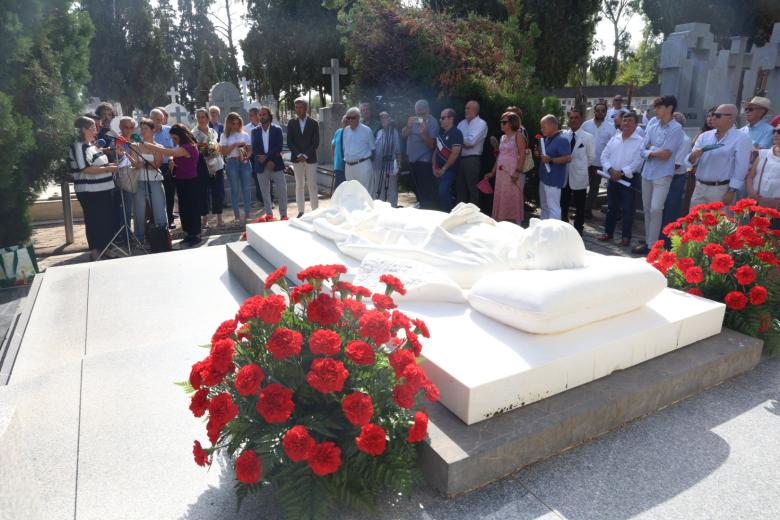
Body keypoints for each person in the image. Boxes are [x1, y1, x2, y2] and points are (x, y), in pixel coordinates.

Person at [632, 95, 684, 255]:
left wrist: (650, 149)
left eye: (659, 107)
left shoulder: (676, 129)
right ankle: (650, 243)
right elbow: (642, 149)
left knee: (656, 208)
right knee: (647, 209)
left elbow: (666, 154)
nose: (656, 110)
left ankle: (655, 245)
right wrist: (655, 150)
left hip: (663, 174)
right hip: (647, 172)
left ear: (669, 108)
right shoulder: (653, 123)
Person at [69, 116, 119, 261]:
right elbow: (85, 168)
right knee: (94, 221)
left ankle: (106, 247)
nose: (96, 130)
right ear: (83, 129)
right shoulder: (78, 146)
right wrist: (108, 168)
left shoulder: (92, 146)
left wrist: (113, 165)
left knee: (107, 220)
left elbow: (100, 163)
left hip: (105, 188)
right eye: (93, 128)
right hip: (89, 191)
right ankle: (95, 251)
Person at [687, 104, 753, 206]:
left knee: (719, 222)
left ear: (731, 118)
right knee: (695, 221)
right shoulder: (704, 136)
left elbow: (741, 168)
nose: (712, 117)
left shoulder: (742, 138)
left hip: (721, 189)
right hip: (699, 187)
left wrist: (731, 191)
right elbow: (691, 162)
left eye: (717, 115)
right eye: (712, 114)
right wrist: (693, 156)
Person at [146, 124, 202, 245]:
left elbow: (169, 151)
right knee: (183, 209)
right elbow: (174, 154)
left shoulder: (188, 147)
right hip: (181, 180)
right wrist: (172, 160)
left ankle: (196, 234)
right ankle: (188, 233)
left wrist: (150, 145)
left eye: (175, 138)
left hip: (190, 181)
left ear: (181, 136)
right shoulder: (181, 146)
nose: (173, 140)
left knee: (192, 208)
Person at [598, 112, 644, 246]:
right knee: (612, 207)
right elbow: (604, 156)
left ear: (636, 124)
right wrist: (611, 170)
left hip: (628, 180)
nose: (626, 123)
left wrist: (622, 173)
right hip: (612, 177)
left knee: (628, 209)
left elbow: (637, 162)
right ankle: (608, 233)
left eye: (630, 121)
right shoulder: (615, 139)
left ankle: (626, 237)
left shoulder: (640, 141)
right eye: (624, 120)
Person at [125, 118, 167, 246]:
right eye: (141, 128)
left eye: (145, 128)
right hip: (139, 181)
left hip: (154, 180)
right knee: (139, 211)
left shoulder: (159, 147)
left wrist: (142, 164)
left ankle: (162, 235)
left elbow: (157, 164)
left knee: (159, 208)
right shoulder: (135, 146)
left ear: (153, 130)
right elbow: (136, 165)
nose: (142, 131)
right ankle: (140, 238)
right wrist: (143, 164)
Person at [484, 111, 526, 224]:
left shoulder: (519, 136)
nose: (501, 124)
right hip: (501, 174)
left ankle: (511, 229)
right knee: (502, 198)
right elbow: (499, 156)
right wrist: (492, 172)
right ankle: (502, 226)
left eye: (504, 122)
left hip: (512, 173)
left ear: (512, 123)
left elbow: (523, 155)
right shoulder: (502, 138)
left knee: (510, 201)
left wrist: (517, 172)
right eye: (501, 122)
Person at [561, 108, 595, 234]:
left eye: (576, 118)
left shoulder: (588, 137)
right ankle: (564, 228)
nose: (573, 120)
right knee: (563, 203)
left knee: (580, 205)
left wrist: (580, 167)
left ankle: (578, 229)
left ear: (581, 119)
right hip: (565, 175)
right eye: (571, 118)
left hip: (579, 175)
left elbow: (591, 157)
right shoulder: (563, 135)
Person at [252, 106, 288, 221]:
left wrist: (268, 158)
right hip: (261, 165)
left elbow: (278, 146)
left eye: (264, 114)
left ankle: (283, 214)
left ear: (269, 116)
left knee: (282, 189)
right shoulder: (255, 131)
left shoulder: (277, 129)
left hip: (276, 164)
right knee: (265, 192)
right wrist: (266, 160)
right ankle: (269, 215)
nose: (261, 117)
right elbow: (255, 148)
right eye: (260, 115)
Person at [402, 99, 439, 209]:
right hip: (412, 160)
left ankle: (428, 210)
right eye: (418, 113)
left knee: (426, 190)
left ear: (428, 110)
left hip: (424, 161)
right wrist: (408, 126)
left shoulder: (433, 122)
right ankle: (422, 206)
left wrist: (423, 133)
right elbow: (403, 134)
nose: (420, 116)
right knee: (417, 188)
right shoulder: (414, 120)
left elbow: (432, 145)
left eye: (423, 113)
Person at [286, 98, 319, 217]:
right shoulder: (291, 123)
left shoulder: (314, 123)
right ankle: (301, 211)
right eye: (296, 107)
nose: (298, 110)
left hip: (310, 158)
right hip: (297, 159)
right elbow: (290, 141)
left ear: (306, 108)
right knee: (299, 184)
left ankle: (315, 211)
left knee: (312, 185)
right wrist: (299, 155)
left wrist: (305, 155)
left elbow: (315, 142)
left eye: (300, 107)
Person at [192, 108, 225, 228]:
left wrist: (216, 149)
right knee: (203, 192)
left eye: (203, 117)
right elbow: (194, 150)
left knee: (218, 192)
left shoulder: (213, 131)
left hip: (217, 165)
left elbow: (216, 146)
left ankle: (219, 219)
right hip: (202, 166)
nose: (201, 119)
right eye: (198, 117)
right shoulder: (193, 133)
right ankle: (204, 219)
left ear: (207, 118)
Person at [661, 112, 693, 233]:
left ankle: (666, 242)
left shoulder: (684, 140)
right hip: (662, 177)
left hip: (675, 179)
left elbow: (676, 164)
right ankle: (654, 239)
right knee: (659, 210)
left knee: (670, 212)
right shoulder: (665, 137)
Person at [220, 112, 254, 223]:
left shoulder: (245, 134)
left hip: (244, 163)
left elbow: (249, 150)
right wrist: (234, 145)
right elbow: (224, 152)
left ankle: (248, 214)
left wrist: (246, 157)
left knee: (247, 189)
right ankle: (237, 217)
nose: (236, 126)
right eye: (233, 123)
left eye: (238, 123)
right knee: (234, 190)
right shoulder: (224, 135)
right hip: (232, 163)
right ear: (229, 124)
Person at [582, 102, 614, 218]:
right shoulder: (586, 125)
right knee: (581, 186)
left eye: (602, 111)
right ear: (594, 111)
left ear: (606, 113)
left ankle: (588, 210)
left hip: (599, 163)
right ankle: (580, 210)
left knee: (594, 187)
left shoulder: (611, 128)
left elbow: (612, 146)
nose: (600, 112)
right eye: (598, 110)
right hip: (585, 161)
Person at [682, 107, 716, 215]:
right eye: (708, 116)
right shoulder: (702, 133)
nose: (710, 119)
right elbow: (692, 151)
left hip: (713, 179)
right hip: (695, 174)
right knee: (694, 209)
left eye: (713, 116)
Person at [537, 115, 572, 220]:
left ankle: (555, 232)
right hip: (545, 178)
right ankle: (544, 229)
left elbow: (568, 158)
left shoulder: (562, 139)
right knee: (544, 206)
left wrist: (551, 160)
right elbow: (548, 155)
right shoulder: (548, 138)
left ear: (553, 125)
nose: (542, 129)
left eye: (544, 127)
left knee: (553, 208)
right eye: (541, 127)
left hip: (553, 180)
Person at [746, 123, 780, 226]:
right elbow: (750, 177)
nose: (776, 134)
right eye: (774, 131)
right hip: (757, 204)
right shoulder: (763, 153)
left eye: (779, 132)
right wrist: (753, 195)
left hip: (777, 208)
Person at [455, 100, 488, 205]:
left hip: (472, 159)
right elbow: (454, 141)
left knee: (472, 189)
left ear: (475, 110)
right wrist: (461, 141)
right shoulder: (461, 123)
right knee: (460, 189)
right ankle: (460, 215)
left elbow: (471, 142)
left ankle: (474, 215)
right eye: (465, 108)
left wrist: (459, 140)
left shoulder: (481, 123)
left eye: (468, 108)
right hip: (459, 159)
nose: (465, 110)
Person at [432, 108, 463, 212]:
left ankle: (449, 216)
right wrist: (434, 167)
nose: (440, 120)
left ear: (451, 119)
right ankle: (444, 216)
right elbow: (436, 152)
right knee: (440, 195)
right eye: (440, 118)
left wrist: (444, 169)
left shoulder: (457, 133)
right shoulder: (441, 134)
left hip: (450, 171)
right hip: (438, 171)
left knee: (443, 192)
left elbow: (455, 154)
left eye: (443, 118)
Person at [151, 108, 177, 229]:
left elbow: (175, 147)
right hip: (153, 166)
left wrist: (172, 158)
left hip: (168, 165)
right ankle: (158, 220)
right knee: (156, 195)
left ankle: (170, 219)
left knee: (169, 193)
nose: (160, 122)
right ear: (151, 119)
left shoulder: (169, 130)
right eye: (157, 120)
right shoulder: (147, 133)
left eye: (161, 120)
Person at [342, 106, 375, 193]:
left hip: (363, 165)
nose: (350, 120)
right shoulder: (345, 130)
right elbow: (344, 148)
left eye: (353, 117)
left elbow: (373, 149)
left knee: (366, 194)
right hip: (348, 166)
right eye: (348, 118)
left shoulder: (367, 130)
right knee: (351, 194)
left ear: (358, 117)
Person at [373, 111, 402, 206]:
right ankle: (381, 209)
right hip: (377, 166)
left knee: (391, 190)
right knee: (379, 190)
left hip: (390, 166)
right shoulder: (379, 132)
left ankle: (393, 208)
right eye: (382, 117)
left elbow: (398, 150)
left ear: (389, 119)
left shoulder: (394, 132)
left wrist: (398, 166)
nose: (383, 119)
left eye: (385, 117)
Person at [331, 115, 348, 188]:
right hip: (338, 164)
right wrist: (333, 158)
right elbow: (333, 145)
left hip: (347, 165)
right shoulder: (338, 132)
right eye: (344, 121)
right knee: (339, 187)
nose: (345, 123)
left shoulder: (351, 132)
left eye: (347, 121)